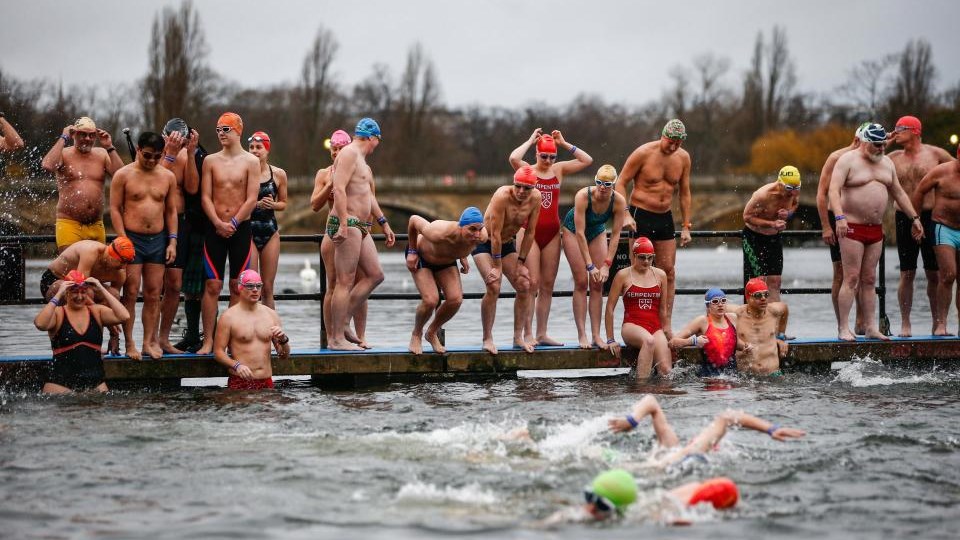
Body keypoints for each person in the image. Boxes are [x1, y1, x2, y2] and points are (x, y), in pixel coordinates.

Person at [829, 123, 923, 341]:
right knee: (851, 278)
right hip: (851, 226)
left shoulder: (886, 163)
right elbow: (833, 190)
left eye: (883, 144)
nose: (882, 148)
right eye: (877, 145)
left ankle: (871, 327)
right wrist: (839, 217)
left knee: (869, 279)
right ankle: (843, 327)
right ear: (864, 142)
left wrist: (915, 218)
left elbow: (899, 193)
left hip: (875, 229)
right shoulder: (848, 160)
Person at [509, 129, 593, 346]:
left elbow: (587, 160)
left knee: (547, 285)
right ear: (536, 154)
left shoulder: (559, 169)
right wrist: (530, 140)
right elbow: (513, 158)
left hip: (553, 232)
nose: (547, 160)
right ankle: (527, 333)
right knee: (532, 283)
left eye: (551, 156)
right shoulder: (527, 171)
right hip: (530, 231)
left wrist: (564, 143)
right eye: (543, 156)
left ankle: (541, 333)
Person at [615, 119, 693, 335]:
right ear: (663, 135)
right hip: (640, 215)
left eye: (678, 143)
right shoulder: (643, 153)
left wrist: (686, 225)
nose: (673, 147)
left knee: (668, 271)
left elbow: (685, 192)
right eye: (670, 141)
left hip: (665, 217)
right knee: (637, 271)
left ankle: (665, 323)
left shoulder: (683, 158)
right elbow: (620, 182)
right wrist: (625, 214)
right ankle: (634, 321)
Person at [109, 132, 179, 360]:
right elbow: (115, 209)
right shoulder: (123, 175)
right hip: (131, 239)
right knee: (129, 292)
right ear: (138, 149)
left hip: (158, 239)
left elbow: (170, 211)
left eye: (157, 157)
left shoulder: (167, 176)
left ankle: (149, 342)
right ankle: (130, 343)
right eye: (147, 155)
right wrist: (122, 240)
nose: (151, 160)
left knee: (153, 293)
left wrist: (172, 241)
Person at [327, 118, 394, 350]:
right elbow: (338, 188)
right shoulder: (348, 154)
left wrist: (383, 222)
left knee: (375, 274)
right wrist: (343, 223)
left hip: (361, 226)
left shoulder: (362, 161)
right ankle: (335, 338)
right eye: (377, 141)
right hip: (348, 222)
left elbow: (367, 194)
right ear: (372, 138)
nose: (377, 145)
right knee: (344, 281)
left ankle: (344, 322)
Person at [197, 112, 260, 355]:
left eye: (226, 129)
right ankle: (209, 341)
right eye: (218, 130)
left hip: (240, 228)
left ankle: (230, 340)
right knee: (212, 285)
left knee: (236, 286)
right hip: (214, 228)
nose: (221, 134)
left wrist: (233, 222)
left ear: (238, 131)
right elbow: (205, 196)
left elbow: (252, 198)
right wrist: (217, 222)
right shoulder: (211, 161)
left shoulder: (251, 162)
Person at [887, 116, 955, 336]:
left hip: (930, 217)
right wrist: (885, 142)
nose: (896, 132)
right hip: (904, 216)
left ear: (915, 131)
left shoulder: (936, 154)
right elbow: (867, 160)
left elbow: (956, 168)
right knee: (907, 272)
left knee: (934, 274)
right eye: (895, 128)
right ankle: (906, 323)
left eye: (901, 129)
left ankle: (938, 322)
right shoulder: (893, 157)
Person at [608, 394, 806, 468]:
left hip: (636, 468)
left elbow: (651, 401)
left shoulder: (670, 446)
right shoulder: (687, 450)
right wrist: (772, 429)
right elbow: (728, 417)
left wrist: (632, 420)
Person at [471, 166, 539, 355]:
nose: (521, 192)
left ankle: (518, 338)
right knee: (494, 285)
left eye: (527, 188)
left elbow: (531, 232)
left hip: (508, 243)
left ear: (533, 188)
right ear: (513, 183)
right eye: (518, 186)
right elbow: (496, 235)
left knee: (525, 284)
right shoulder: (501, 196)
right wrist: (497, 266)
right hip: (486, 242)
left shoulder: (536, 199)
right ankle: (487, 338)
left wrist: (521, 263)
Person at [312, 129, 370, 347]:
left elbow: (370, 198)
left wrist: (374, 226)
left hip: (358, 229)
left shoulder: (362, 168)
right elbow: (315, 205)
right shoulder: (323, 173)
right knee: (334, 285)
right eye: (333, 149)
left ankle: (361, 336)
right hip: (334, 230)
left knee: (361, 279)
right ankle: (330, 337)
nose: (336, 153)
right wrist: (330, 184)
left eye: (340, 149)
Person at [561, 164, 627, 349]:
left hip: (597, 230)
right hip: (574, 230)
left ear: (614, 184)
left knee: (597, 284)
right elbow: (580, 233)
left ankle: (596, 335)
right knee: (582, 281)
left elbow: (615, 235)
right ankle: (582, 334)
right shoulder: (583, 196)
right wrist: (590, 265)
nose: (602, 187)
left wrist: (606, 264)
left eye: (607, 184)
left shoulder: (619, 201)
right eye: (599, 182)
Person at [33, 271, 130, 394]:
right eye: (74, 292)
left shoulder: (97, 312)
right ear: (66, 293)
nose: (79, 297)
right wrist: (58, 294)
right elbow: (40, 324)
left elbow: (125, 316)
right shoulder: (58, 313)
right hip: (60, 385)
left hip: (95, 384)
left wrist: (101, 289)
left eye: (83, 292)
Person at [405, 207, 486, 354]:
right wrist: (411, 251)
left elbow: (466, 242)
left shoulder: (481, 236)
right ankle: (416, 334)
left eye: (480, 229)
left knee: (455, 299)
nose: (477, 234)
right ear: (461, 227)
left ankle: (431, 332)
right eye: (472, 229)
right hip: (422, 257)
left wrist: (463, 256)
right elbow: (413, 220)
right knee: (431, 300)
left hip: (446, 261)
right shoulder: (439, 231)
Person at [539, 468, 741, 526]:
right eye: (589, 497)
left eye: (602, 505)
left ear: (617, 509)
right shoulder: (582, 512)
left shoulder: (643, 516)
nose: (590, 508)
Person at [40, 116, 124, 251]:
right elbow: (48, 165)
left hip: (96, 224)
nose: (88, 139)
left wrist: (109, 147)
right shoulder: (64, 154)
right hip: (69, 224)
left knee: (96, 270)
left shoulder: (102, 154)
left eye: (91, 135)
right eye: (83, 134)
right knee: (73, 270)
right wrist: (63, 138)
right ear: (74, 134)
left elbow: (122, 175)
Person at [157, 118, 202, 354]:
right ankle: (149, 339)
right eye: (171, 138)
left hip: (181, 223)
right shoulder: (152, 152)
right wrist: (169, 154)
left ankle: (164, 339)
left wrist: (191, 152)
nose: (175, 142)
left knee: (174, 284)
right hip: (155, 224)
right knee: (154, 286)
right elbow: (155, 184)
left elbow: (193, 188)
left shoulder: (187, 154)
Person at [817, 124, 867, 332]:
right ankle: (842, 323)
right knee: (841, 273)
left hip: (862, 221)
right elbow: (822, 194)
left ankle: (862, 322)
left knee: (865, 274)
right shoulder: (836, 157)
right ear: (857, 141)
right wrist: (826, 226)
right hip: (837, 219)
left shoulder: (871, 157)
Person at [910, 145, 960, 335]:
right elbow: (919, 191)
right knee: (948, 275)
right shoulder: (942, 172)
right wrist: (916, 220)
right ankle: (941, 324)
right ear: (957, 155)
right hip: (943, 226)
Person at [212, 269, 289, 390]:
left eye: (258, 286)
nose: (255, 289)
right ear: (240, 287)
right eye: (249, 286)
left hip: (266, 381)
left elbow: (283, 355)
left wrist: (284, 340)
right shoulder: (228, 317)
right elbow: (218, 352)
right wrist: (236, 365)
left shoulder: (271, 315)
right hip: (240, 381)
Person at [605, 237, 671, 378]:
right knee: (649, 341)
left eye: (650, 258)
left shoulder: (661, 275)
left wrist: (667, 331)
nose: (646, 261)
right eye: (642, 257)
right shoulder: (622, 275)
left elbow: (663, 309)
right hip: (631, 326)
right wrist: (610, 339)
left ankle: (660, 395)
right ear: (634, 256)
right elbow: (610, 308)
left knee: (666, 371)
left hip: (655, 327)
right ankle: (641, 389)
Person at [741, 165, 801, 301]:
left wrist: (789, 213)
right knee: (758, 281)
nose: (793, 192)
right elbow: (746, 217)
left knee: (775, 280)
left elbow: (795, 204)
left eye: (796, 188)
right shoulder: (762, 195)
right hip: (753, 237)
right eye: (789, 188)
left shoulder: (794, 191)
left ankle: (773, 318)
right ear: (780, 183)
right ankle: (753, 318)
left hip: (774, 237)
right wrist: (772, 224)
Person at [247, 130, 288, 309]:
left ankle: (271, 333)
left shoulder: (278, 174)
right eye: (251, 147)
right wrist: (256, 204)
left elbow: (284, 203)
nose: (255, 151)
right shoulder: (244, 173)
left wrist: (272, 205)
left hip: (270, 231)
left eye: (259, 147)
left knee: (267, 288)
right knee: (251, 285)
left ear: (267, 150)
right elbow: (237, 204)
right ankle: (250, 331)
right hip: (248, 231)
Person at [669, 288, 746, 376]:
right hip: (709, 377)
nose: (720, 304)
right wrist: (693, 341)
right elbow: (672, 343)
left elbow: (733, 341)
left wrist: (746, 347)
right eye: (715, 301)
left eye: (723, 301)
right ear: (708, 306)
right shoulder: (702, 321)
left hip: (732, 375)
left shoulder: (732, 318)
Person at [726, 278, 790, 375]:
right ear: (748, 298)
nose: (763, 298)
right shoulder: (737, 313)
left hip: (773, 375)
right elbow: (712, 308)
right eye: (758, 295)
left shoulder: (773, 311)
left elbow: (785, 309)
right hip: (746, 377)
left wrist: (780, 337)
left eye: (766, 294)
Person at [40, 237, 134, 300]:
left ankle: (95, 328)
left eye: (128, 263)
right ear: (111, 256)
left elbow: (113, 301)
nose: (124, 266)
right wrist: (97, 314)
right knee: (86, 293)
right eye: (122, 262)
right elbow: (78, 287)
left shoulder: (120, 273)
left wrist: (109, 317)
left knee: (114, 295)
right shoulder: (91, 251)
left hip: (84, 287)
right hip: (53, 280)